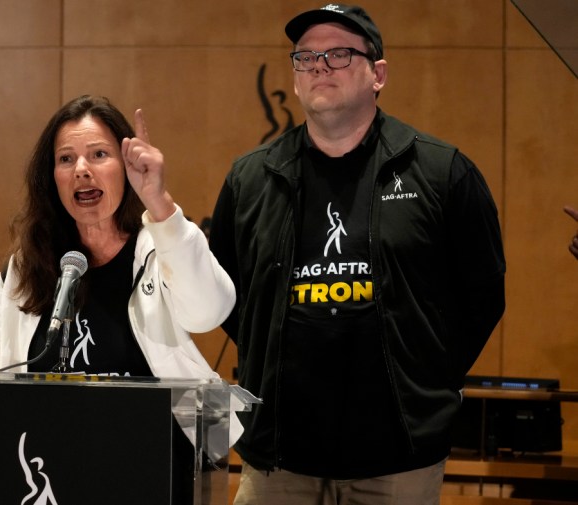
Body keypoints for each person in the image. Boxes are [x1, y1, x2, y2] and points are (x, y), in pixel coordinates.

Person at [208, 4, 506, 504]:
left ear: (378, 74)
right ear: (296, 77)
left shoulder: (440, 171)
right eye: (305, 57)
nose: (319, 66)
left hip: (398, 458)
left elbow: (482, 295)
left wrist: (428, 378)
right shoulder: (250, 179)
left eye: (339, 54)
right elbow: (228, 298)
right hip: (279, 457)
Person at [0, 96, 239, 501]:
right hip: (53, 475)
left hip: (153, 472)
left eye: (98, 154)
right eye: (66, 159)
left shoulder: (160, 247)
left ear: (126, 169)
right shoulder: (26, 267)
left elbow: (210, 311)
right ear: (52, 177)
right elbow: (1, 372)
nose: (81, 169)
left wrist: (160, 203)